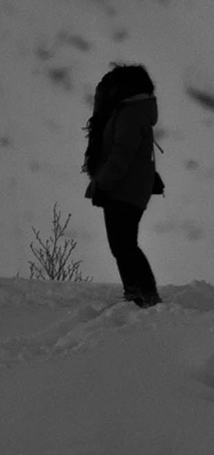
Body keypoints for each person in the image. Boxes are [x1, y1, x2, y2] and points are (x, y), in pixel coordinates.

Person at [83, 63, 163, 308]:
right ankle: (140, 294)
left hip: (123, 190)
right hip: (129, 188)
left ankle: (143, 295)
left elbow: (121, 155)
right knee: (124, 244)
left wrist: (103, 185)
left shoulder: (129, 113)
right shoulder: (133, 111)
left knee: (123, 244)